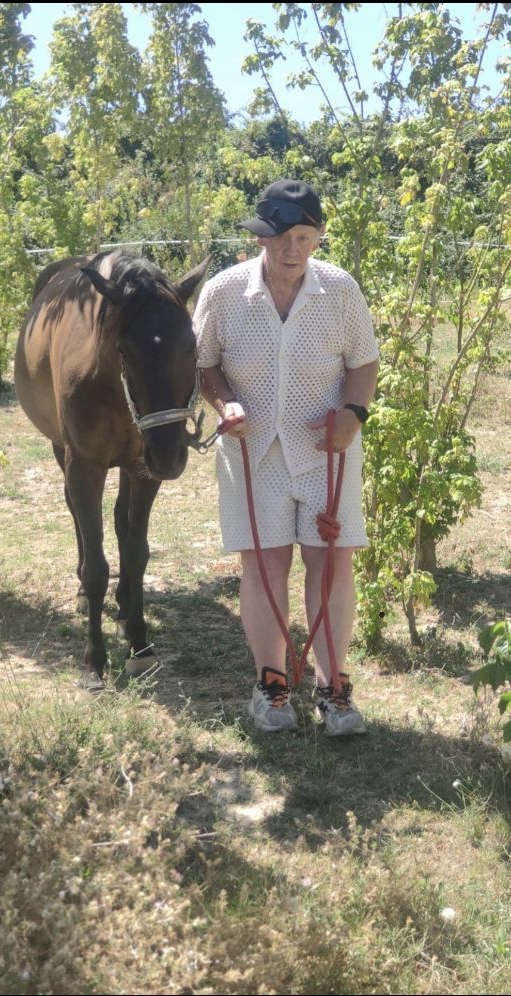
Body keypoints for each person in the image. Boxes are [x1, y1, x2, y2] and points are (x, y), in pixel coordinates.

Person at [194, 179, 379, 734]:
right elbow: (205, 364)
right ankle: (271, 687)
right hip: (252, 451)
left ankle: (333, 689)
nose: (291, 250)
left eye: (304, 237)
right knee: (264, 562)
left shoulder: (341, 291)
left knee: (332, 562)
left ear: (319, 238)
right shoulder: (225, 292)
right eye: (280, 238)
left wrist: (353, 414)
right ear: (260, 239)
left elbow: (363, 362)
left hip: (329, 449)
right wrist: (224, 403)